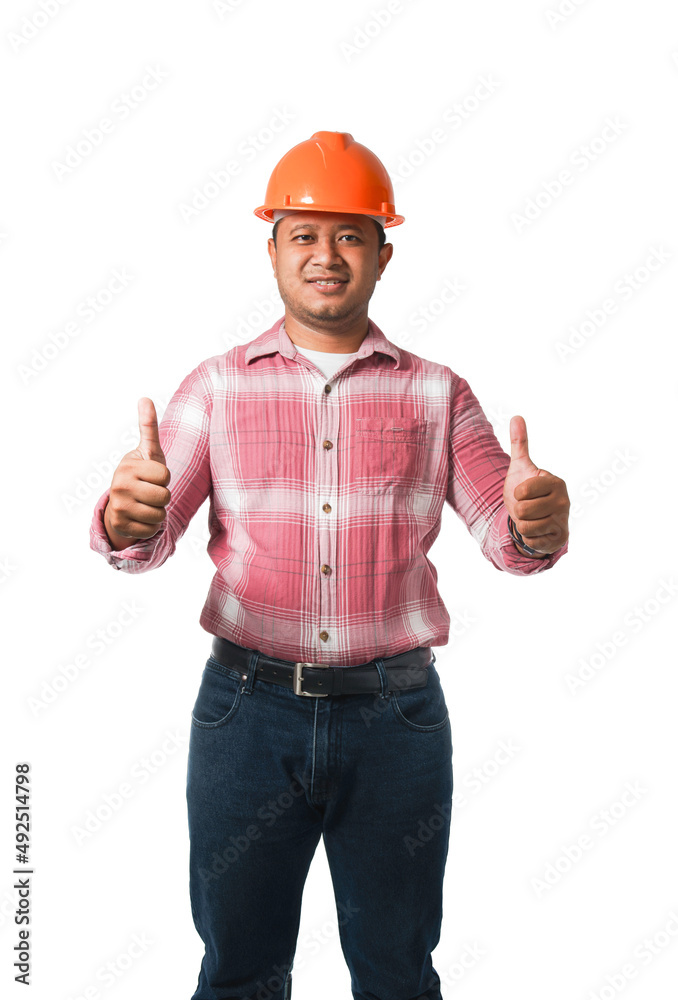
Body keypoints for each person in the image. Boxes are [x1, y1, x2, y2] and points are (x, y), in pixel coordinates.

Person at [89, 130, 570, 1000]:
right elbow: (146, 543)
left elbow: (509, 537)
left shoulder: (437, 392)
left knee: (396, 972)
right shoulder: (218, 386)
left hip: (398, 721)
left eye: (350, 234)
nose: (325, 255)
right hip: (245, 716)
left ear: (383, 253)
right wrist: (127, 517)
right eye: (304, 234)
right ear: (271, 248)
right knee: (239, 970)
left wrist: (537, 520)